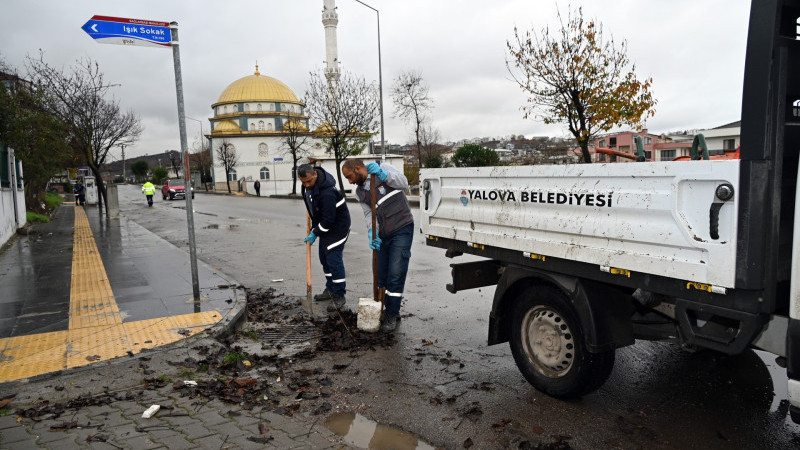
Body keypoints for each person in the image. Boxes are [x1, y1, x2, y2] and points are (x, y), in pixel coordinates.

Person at [341, 159, 414, 332]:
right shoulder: (360, 192)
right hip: (383, 234)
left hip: (402, 227)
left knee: (395, 272)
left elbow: (403, 183)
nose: (349, 181)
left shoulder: (383, 169)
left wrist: (384, 175)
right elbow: (368, 214)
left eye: (350, 176)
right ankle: (381, 308)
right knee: (381, 274)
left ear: (358, 168)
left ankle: (392, 313)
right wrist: (372, 233)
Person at [299, 163, 351, 309]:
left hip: (338, 227)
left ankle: (340, 294)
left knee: (333, 260)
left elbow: (329, 219)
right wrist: (315, 225)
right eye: (303, 182)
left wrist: (315, 232)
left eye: (309, 181)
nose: (307, 185)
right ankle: (330, 289)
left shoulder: (327, 192)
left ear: (315, 174)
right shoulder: (308, 187)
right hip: (326, 227)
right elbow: (315, 208)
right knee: (324, 258)